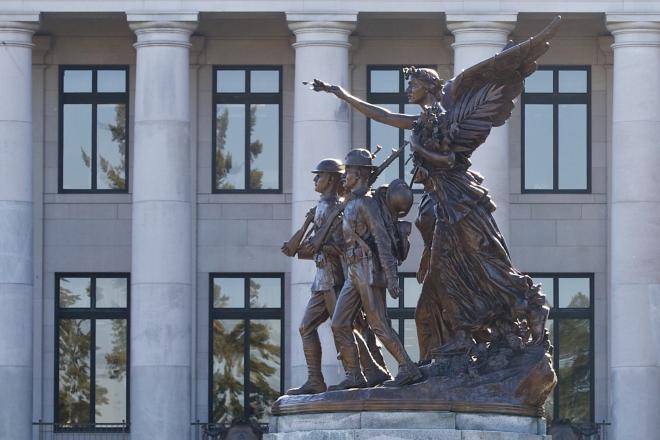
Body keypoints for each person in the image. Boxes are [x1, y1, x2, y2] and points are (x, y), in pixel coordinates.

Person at [314, 63, 549, 356]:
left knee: (484, 258)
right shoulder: (422, 121)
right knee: (451, 268)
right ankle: (461, 332)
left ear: (428, 85)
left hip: (458, 198)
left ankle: (530, 305)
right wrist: (343, 95)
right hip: (440, 202)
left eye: (413, 84)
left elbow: (450, 159)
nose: (408, 90)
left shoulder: (446, 119)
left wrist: (419, 148)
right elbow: (384, 116)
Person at [281, 158, 391, 395]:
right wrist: (310, 233)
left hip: (334, 278)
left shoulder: (334, 209)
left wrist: (319, 245)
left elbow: (342, 245)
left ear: (330, 179)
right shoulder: (323, 207)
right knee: (318, 327)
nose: (314, 180)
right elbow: (300, 249)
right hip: (322, 280)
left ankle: (359, 373)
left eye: (318, 176)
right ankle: (318, 379)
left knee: (343, 326)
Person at [329, 149, 421, 390]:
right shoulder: (352, 202)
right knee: (339, 322)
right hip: (353, 269)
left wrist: (392, 277)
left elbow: (381, 239)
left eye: (348, 172)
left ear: (358, 174)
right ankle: (355, 376)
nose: (344, 176)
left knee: (378, 323)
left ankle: (407, 366)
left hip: (367, 269)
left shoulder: (367, 204)